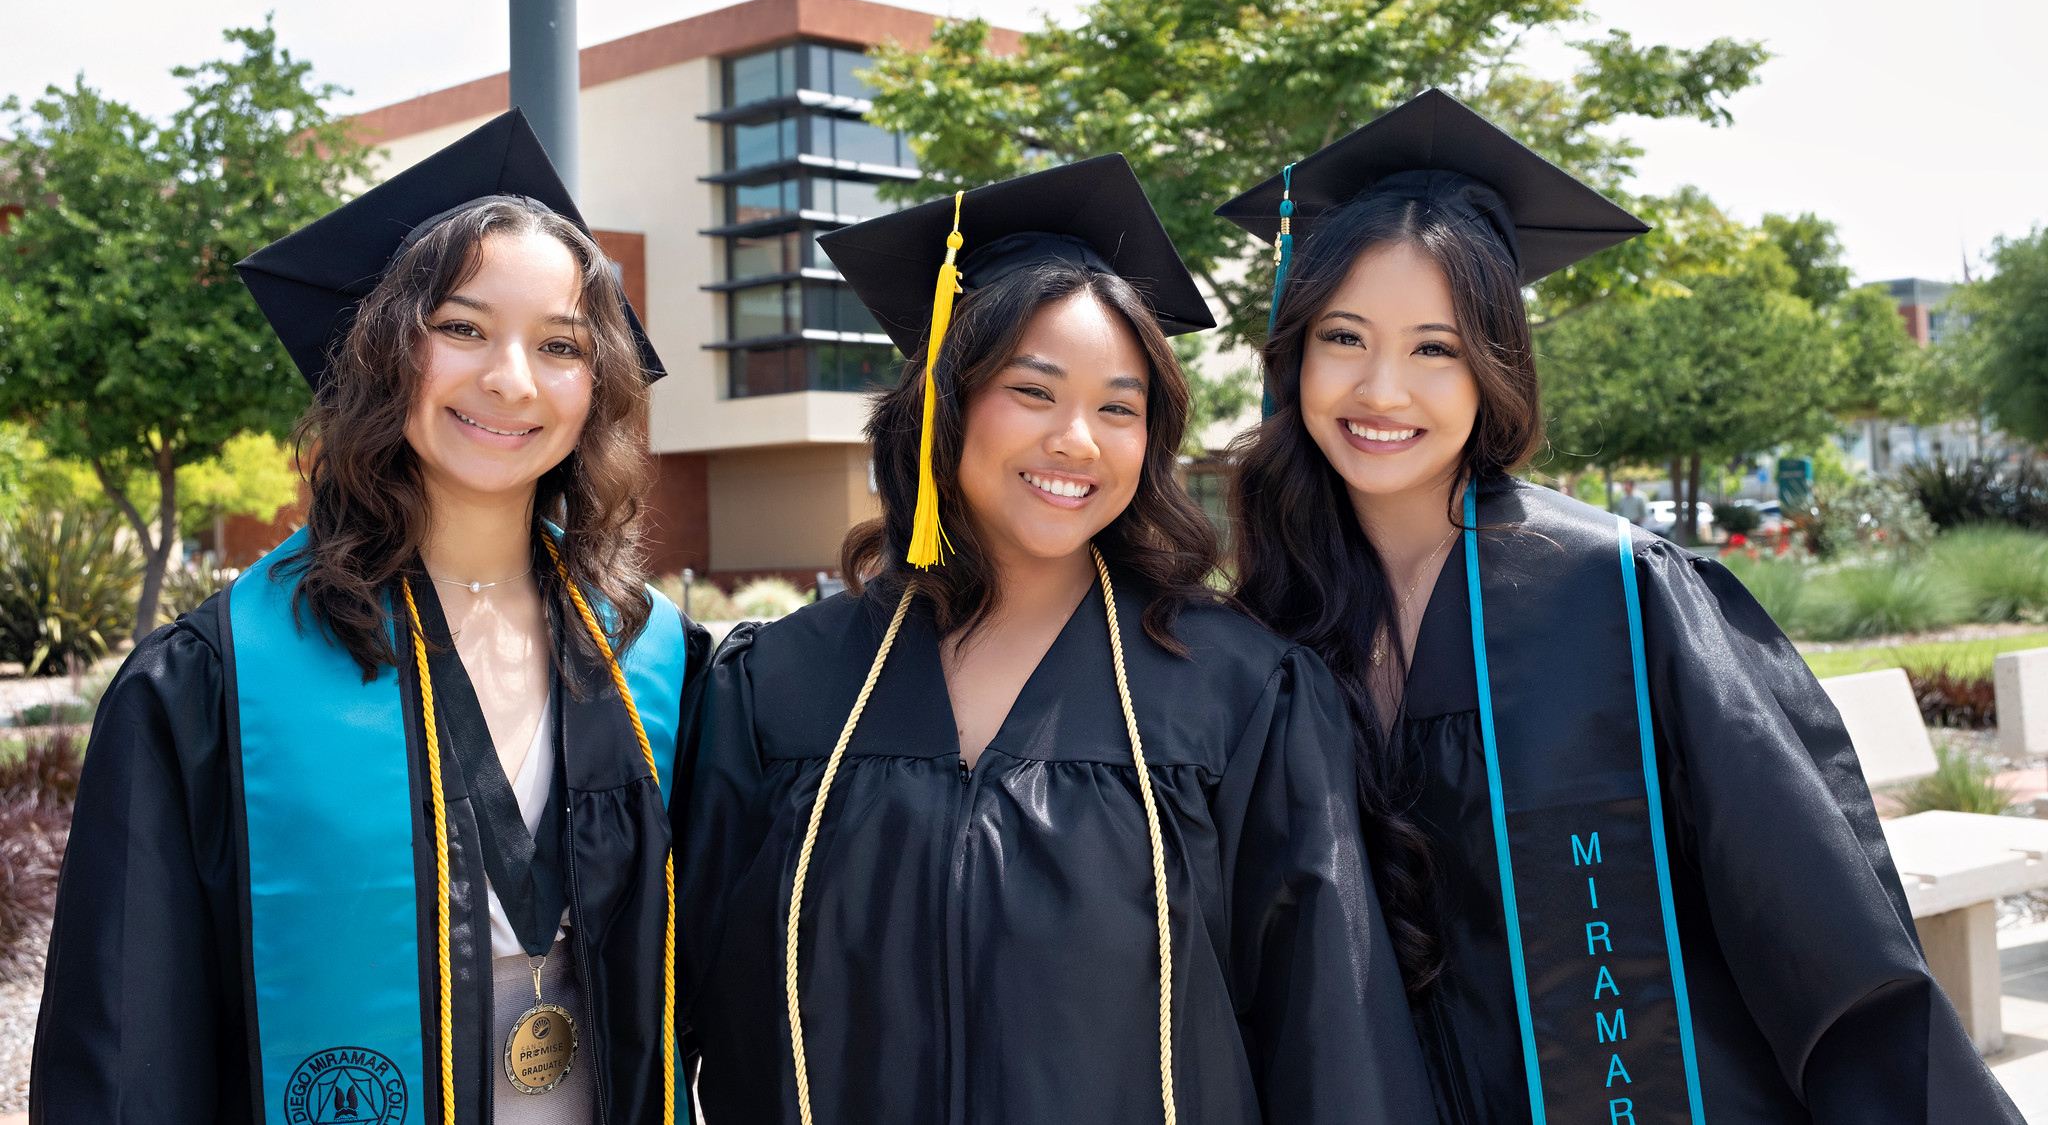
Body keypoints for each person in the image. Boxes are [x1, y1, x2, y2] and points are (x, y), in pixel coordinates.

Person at [1217, 89, 2020, 1125]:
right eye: (1343, 337)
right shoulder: (1271, 626)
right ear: (1293, 355)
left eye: (1435, 347)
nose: (1381, 389)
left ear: (1493, 369)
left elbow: (1820, 935)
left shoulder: (1611, 594)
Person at [672, 155, 1432, 1123]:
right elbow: (688, 1010)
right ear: (944, 401)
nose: (1078, 439)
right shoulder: (774, 685)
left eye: (1119, 407)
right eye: (1032, 391)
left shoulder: (1237, 693)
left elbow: (1330, 1032)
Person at [33, 111, 707, 1125]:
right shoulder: (212, 682)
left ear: (596, 382)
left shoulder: (653, 659)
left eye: (559, 344)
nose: (509, 379)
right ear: (383, 350)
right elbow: (130, 1052)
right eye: (463, 328)